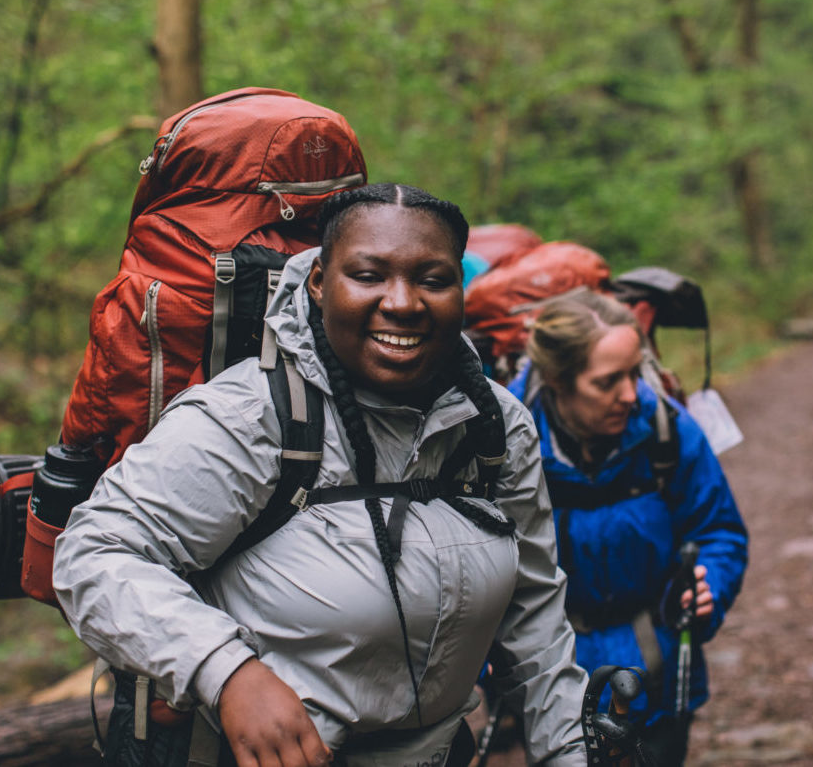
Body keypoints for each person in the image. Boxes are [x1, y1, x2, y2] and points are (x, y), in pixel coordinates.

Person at [52, 183, 589, 767]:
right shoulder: (254, 417)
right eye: (368, 275)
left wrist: (571, 752)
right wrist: (227, 672)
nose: (403, 302)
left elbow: (534, 612)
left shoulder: (493, 426)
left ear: (461, 290)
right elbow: (94, 554)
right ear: (317, 282)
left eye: (433, 280)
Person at [506, 290, 748, 765]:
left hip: (657, 672)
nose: (631, 394)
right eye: (608, 381)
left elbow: (720, 532)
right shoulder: (503, 445)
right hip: (549, 681)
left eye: (636, 372)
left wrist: (708, 587)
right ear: (557, 380)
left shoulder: (668, 431)